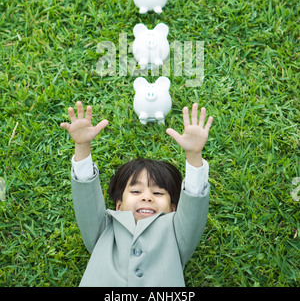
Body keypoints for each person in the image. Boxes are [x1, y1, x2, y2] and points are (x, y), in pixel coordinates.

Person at [60, 101, 213, 287]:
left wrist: (194, 155)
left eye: (157, 192)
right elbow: (86, 200)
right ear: (118, 206)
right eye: (135, 191)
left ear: (173, 208)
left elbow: (193, 210)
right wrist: (82, 147)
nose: (146, 197)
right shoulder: (103, 230)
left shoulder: (177, 234)